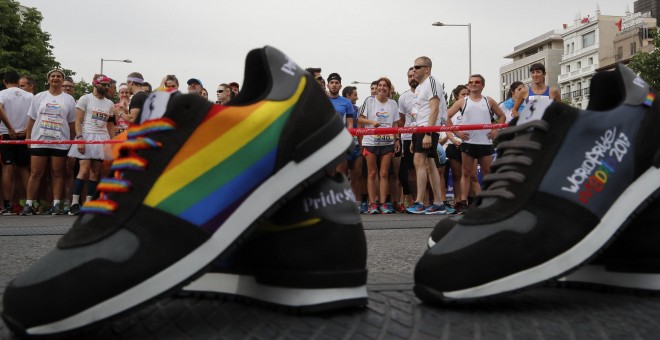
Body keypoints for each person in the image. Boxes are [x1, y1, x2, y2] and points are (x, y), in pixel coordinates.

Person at [446, 74, 506, 213]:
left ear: (482, 85)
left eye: (477, 82)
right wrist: (457, 132)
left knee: (487, 173)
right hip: (469, 142)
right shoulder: (463, 101)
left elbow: (502, 116)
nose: (473, 84)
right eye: (470, 82)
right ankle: (463, 202)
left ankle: (488, 202)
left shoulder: (488, 100)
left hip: (485, 142)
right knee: (466, 173)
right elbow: (446, 116)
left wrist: (496, 129)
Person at [21, 69, 76, 215]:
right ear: (48, 79)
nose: (55, 78)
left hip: (60, 141)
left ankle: (56, 203)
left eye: (59, 76)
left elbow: (71, 124)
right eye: (53, 76)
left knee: (57, 173)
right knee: (35, 173)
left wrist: (71, 141)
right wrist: (28, 137)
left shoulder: (69, 99)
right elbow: (32, 118)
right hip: (39, 140)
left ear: (62, 80)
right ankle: (29, 204)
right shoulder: (39, 97)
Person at [66, 74, 116, 215]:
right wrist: (80, 138)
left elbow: (110, 125)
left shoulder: (109, 104)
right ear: (95, 84)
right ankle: (75, 203)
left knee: (95, 172)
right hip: (87, 135)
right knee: (84, 169)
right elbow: (77, 121)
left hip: (102, 138)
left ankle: (89, 203)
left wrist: (113, 142)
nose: (106, 87)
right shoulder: (85, 98)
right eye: (103, 85)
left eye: (108, 85)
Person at [406, 57, 449, 215]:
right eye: (413, 67)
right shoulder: (419, 88)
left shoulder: (432, 82)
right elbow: (419, 113)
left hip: (427, 128)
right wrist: (414, 137)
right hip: (420, 128)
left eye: (417, 67)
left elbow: (435, 109)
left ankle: (419, 202)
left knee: (419, 162)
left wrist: (428, 133)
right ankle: (438, 203)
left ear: (427, 69)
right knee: (430, 166)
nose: (414, 70)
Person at [358, 77, 399, 214]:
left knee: (384, 173)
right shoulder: (369, 101)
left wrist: (397, 140)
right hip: (370, 142)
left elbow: (395, 124)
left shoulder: (393, 103)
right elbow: (360, 118)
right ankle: (373, 203)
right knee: (372, 173)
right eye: (380, 85)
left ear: (389, 89)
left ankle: (383, 203)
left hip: (387, 142)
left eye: (385, 86)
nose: (382, 88)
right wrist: (372, 122)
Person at [0, 70, 33, 215]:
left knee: (7, 168)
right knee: (23, 169)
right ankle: (29, 203)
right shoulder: (30, 96)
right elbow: (35, 115)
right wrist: (27, 130)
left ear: (4, 81)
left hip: (6, 135)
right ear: (18, 80)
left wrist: (10, 128)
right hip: (23, 136)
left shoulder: (2, 94)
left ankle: (7, 204)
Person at [397, 67, 418, 211]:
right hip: (407, 138)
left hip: (424, 135)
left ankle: (424, 201)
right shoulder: (403, 97)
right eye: (409, 76)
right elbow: (401, 120)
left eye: (414, 75)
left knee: (425, 169)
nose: (412, 78)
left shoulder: (427, 93)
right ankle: (411, 201)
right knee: (405, 173)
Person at [326, 73, 354, 175]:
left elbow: (350, 124)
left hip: (341, 140)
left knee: (340, 173)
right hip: (325, 142)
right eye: (332, 82)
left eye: (337, 83)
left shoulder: (347, 102)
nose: (334, 85)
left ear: (340, 86)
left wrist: (348, 140)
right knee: (327, 174)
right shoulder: (321, 99)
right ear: (327, 85)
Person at [342, 85, 363, 204]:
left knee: (357, 176)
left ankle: (358, 203)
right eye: (355, 95)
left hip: (355, 146)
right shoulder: (340, 108)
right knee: (342, 177)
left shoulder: (358, 109)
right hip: (343, 147)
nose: (357, 97)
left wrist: (361, 144)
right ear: (348, 96)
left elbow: (361, 126)